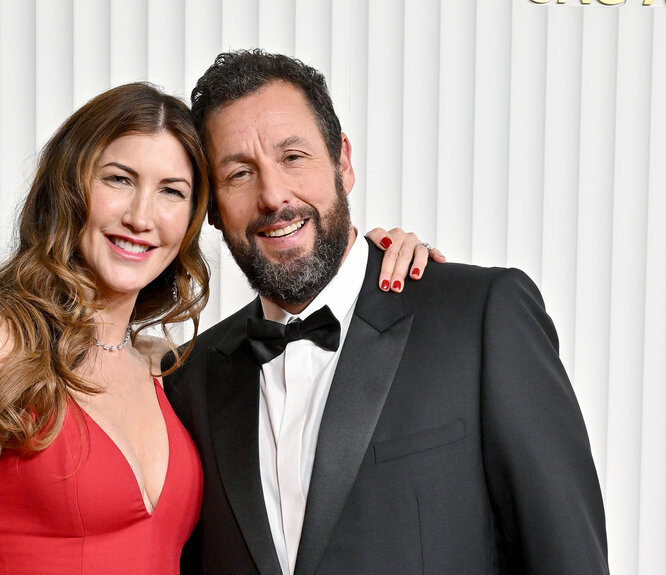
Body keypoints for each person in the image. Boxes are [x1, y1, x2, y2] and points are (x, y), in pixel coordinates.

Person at [0, 82, 436, 575]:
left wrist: (375, 264)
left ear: (193, 218)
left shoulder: (167, 368)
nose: (142, 216)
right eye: (119, 179)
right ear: (70, 189)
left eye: (171, 192)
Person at [163, 50, 609, 575]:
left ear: (343, 162)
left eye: (294, 156)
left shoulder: (481, 317)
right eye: (239, 173)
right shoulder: (189, 379)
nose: (273, 195)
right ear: (211, 207)